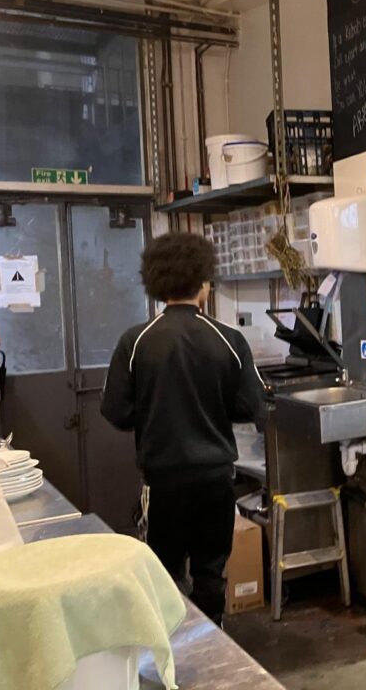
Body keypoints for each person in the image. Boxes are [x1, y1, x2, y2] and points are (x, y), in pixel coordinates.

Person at [101, 232, 266, 624]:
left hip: (163, 482)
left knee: (164, 572)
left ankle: (173, 652)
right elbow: (252, 407)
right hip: (215, 480)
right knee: (211, 571)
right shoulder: (229, 340)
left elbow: (116, 413)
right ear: (204, 284)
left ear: (156, 283)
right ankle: (214, 645)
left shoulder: (135, 341)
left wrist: (156, 411)